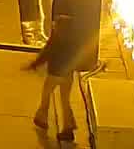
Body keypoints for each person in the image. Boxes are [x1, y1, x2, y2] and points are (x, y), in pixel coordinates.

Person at [27, 11, 89, 142]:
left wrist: (34, 64)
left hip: (55, 73)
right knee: (65, 100)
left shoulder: (56, 38)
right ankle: (68, 127)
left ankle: (42, 117)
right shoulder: (74, 40)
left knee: (46, 93)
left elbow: (46, 53)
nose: (54, 25)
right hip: (67, 76)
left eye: (56, 24)